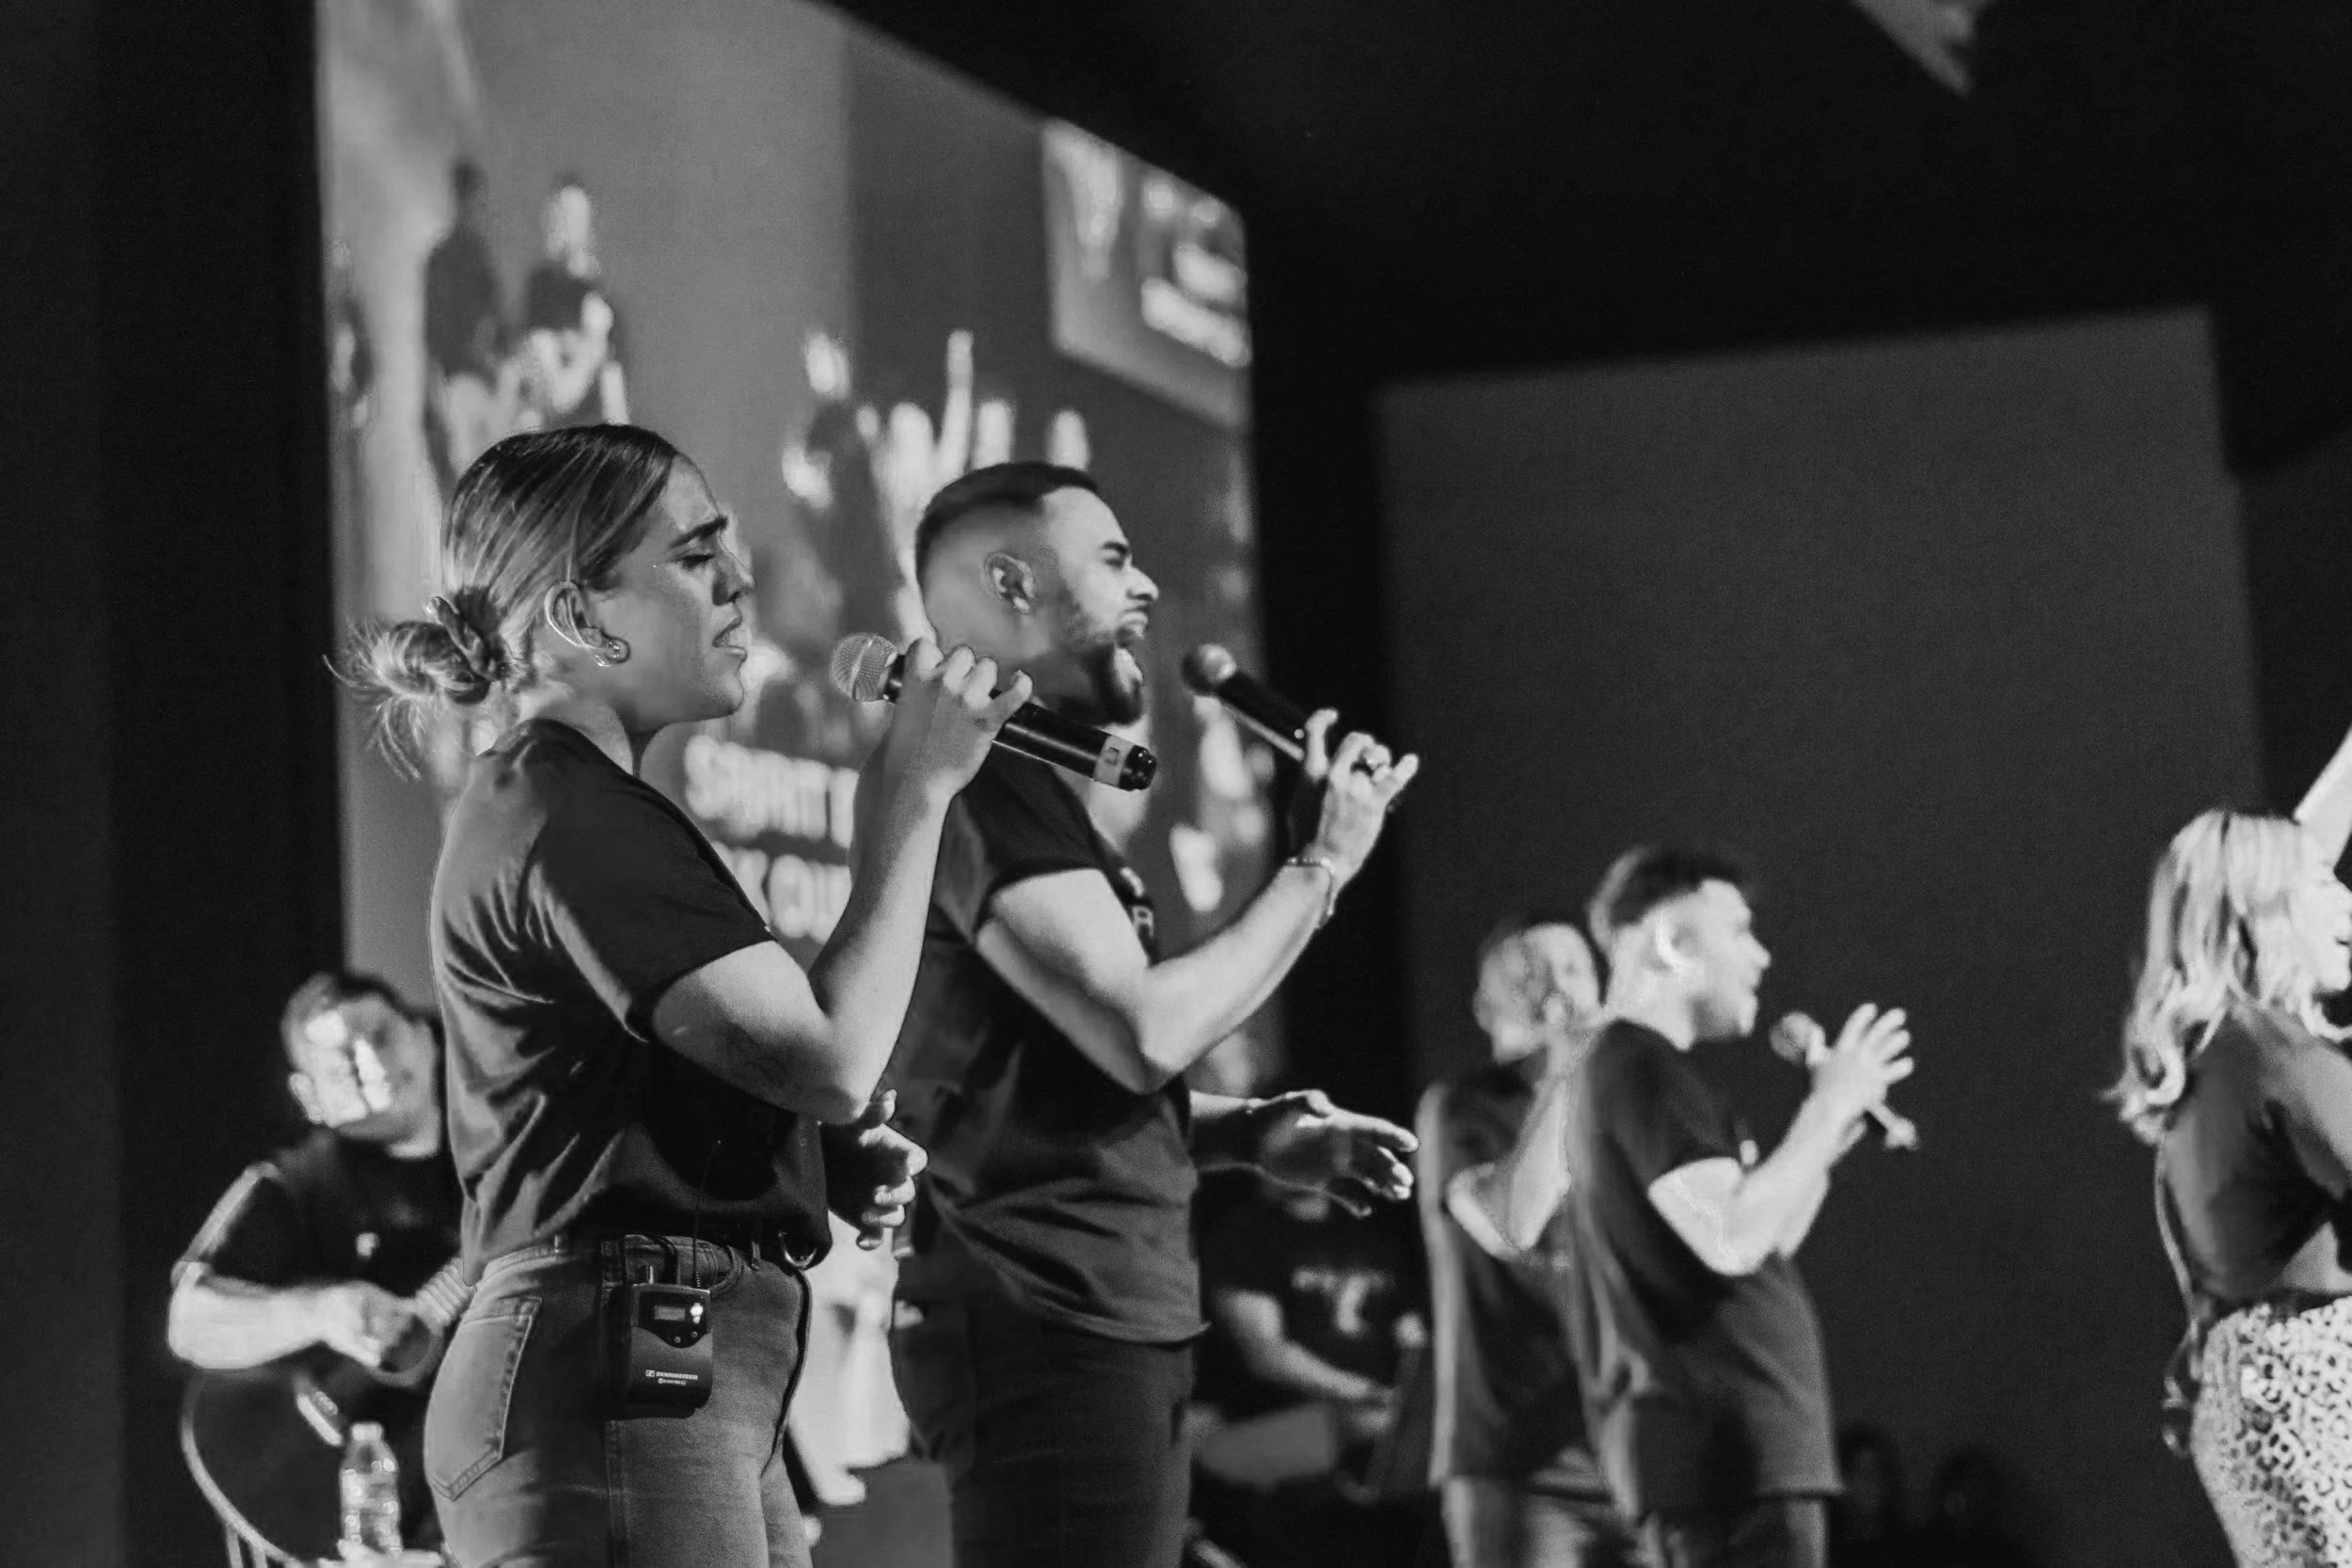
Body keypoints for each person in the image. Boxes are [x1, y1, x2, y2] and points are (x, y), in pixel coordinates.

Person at [352, 423, 1027, 1567]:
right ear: (579, 617)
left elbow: (633, 1090)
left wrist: (790, 1156)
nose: (739, 579)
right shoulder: (562, 805)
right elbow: (830, 1058)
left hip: (667, 1366)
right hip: (617, 1369)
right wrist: (912, 794)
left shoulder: (574, 801)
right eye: (696, 554)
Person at [868, 461, 1423, 1568]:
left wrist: (1250, 1131)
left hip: (1096, 1312)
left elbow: (1056, 1087)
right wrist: (1320, 864)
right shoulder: (984, 780)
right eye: (1114, 558)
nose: (1150, 586)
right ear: (1012, 583)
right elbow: (1142, 1032)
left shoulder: (1031, 793)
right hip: (1046, 1309)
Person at [1513, 847, 1914, 1568]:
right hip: (1724, 1462)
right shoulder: (1640, 1065)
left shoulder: (1649, 1073)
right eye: (1738, 929)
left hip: (1736, 1465)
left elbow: (1764, 1242)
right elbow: (1729, 1233)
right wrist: (1825, 1107)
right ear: (1672, 941)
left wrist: (1826, 1138)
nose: (1760, 955)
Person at [2111, 736, 2352, 1568]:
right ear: (2265, 909)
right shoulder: (2277, 1052)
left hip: (2246, 1395)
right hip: (2318, 1383)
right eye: (2322, 885)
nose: (2347, 902)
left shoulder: (2208, 1061)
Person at [169, 971, 463, 1549]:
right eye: (341, 1062)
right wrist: (322, 1313)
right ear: (309, 1096)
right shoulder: (299, 1185)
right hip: (361, 1518)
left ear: (426, 1037)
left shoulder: (503, 1163)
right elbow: (189, 1322)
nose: (371, 1064)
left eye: (381, 1036)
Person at [1418, 914, 1641, 1567]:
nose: (1559, 990)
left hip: (1631, 1450)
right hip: (1520, 1462)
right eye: (1534, 975)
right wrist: (1569, 1064)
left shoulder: (1624, 1112)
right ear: (1487, 1004)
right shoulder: (1462, 1106)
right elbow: (1512, 1222)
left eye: (1575, 969)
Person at [1194, 1173, 1430, 1567]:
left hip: (1375, 1425)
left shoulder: (1369, 1237)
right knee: (1383, 1431)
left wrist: (1422, 1387)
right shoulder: (1243, 1234)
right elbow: (1267, 1355)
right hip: (1261, 1429)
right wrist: (1371, 1395)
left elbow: (1412, 1337)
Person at [423, 160, 529, 487]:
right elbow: (436, 339)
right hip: (460, 386)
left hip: (485, 387)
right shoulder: (444, 261)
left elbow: (500, 325)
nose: (480, 210)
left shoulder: (482, 259)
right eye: (475, 201)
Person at [522, 176, 628, 428]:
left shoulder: (603, 306)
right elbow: (556, 399)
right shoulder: (541, 296)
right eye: (558, 216)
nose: (562, 226)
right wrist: (592, 346)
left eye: (573, 218)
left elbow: (615, 408)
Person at [1827, 1425, 1911, 1568]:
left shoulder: (1909, 1548)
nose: (1871, 1480)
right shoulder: (1824, 1547)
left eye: (1877, 1470)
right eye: (1860, 1471)